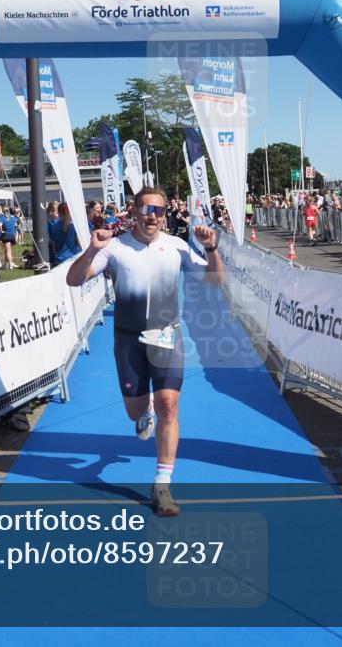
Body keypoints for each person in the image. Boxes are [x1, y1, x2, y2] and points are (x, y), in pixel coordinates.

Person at [65, 187, 224, 516]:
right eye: (147, 209)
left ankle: (162, 485)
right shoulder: (115, 247)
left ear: (165, 215)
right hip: (128, 341)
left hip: (165, 336)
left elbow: (214, 280)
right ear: (135, 211)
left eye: (159, 210)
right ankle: (145, 410)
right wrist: (91, 250)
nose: (153, 216)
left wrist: (211, 248)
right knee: (135, 412)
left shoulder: (177, 246)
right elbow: (73, 279)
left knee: (169, 405)